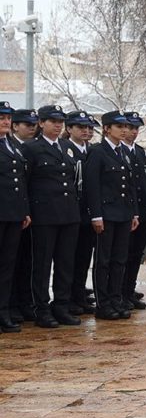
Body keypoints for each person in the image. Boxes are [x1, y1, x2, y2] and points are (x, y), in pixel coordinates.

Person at [24, 105, 81, 328]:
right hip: (45, 215)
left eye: (60, 122)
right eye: (52, 121)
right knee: (42, 264)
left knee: (66, 264)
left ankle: (61, 306)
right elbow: (26, 182)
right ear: (41, 123)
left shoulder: (66, 147)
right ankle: (42, 309)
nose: (58, 125)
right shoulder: (32, 148)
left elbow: (74, 180)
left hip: (68, 214)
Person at [85, 110, 140, 320]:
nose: (124, 130)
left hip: (123, 213)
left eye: (126, 126)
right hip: (106, 214)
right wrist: (96, 215)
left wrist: (134, 212)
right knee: (104, 260)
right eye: (120, 126)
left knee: (120, 259)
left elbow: (130, 185)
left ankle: (116, 299)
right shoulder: (98, 151)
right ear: (107, 129)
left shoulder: (122, 152)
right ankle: (103, 303)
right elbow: (93, 186)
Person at [64, 110, 99, 316]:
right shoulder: (66, 149)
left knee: (84, 257)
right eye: (80, 127)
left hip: (88, 212)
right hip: (71, 211)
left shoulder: (92, 150)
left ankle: (79, 295)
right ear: (69, 129)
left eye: (88, 128)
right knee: (70, 257)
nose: (86, 131)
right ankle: (68, 298)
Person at [0, 101, 30, 333]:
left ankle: (4, 311)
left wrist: (24, 210)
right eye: (2, 117)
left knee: (7, 265)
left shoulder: (12, 145)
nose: (6, 121)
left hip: (13, 214)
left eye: (8, 118)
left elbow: (20, 181)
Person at [8, 109, 38, 325]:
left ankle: (24, 302)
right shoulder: (14, 147)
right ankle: (12, 304)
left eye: (33, 124)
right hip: (9, 212)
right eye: (26, 124)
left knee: (26, 260)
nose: (31, 127)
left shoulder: (26, 148)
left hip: (25, 212)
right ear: (15, 126)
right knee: (12, 262)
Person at [121, 111, 146, 311]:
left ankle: (129, 290)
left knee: (136, 254)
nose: (132, 132)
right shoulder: (115, 151)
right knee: (122, 255)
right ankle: (120, 293)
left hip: (141, 211)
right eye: (129, 128)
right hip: (124, 212)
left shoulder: (140, 152)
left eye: (136, 129)